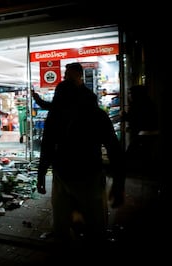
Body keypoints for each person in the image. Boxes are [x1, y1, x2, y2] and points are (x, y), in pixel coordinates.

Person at [33, 62, 126, 247]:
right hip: (87, 174)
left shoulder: (58, 114)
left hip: (67, 174)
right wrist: (118, 183)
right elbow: (114, 149)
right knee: (93, 222)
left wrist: (41, 174)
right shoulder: (95, 114)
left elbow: (47, 146)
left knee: (64, 221)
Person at [120, 85, 159, 176]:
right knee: (145, 153)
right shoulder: (147, 102)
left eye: (130, 93)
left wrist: (124, 115)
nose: (129, 95)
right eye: (129, 93)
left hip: (145, 134)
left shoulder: (139, 104)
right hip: (149, 133)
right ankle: (146, 172)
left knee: (132, 152)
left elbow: (136, 119)